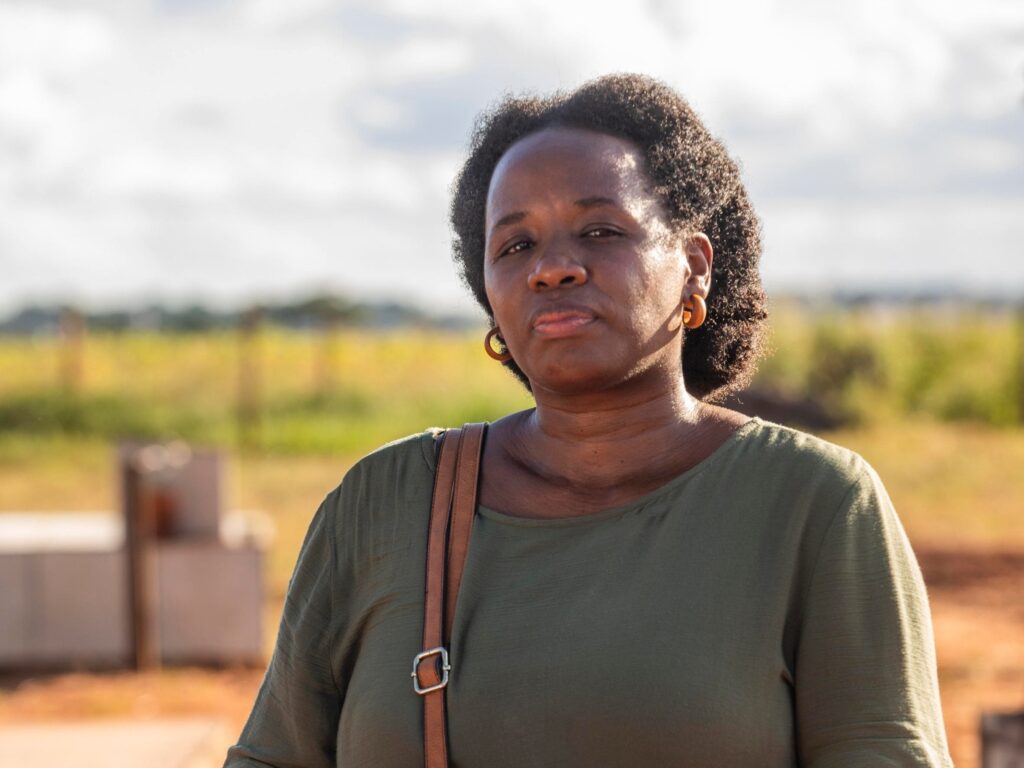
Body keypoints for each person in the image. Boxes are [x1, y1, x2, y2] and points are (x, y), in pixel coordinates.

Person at [225, 74, 952, 767]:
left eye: (601, 230)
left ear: (695, 266)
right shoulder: (382, 505)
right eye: (516, 245)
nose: (552, 268)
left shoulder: (814, 505)